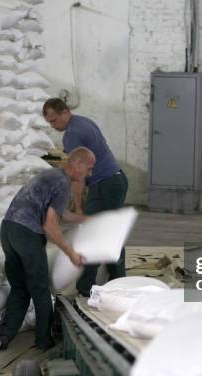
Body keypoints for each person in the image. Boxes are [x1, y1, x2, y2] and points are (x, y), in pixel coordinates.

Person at [0, 147, 95, 351]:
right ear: (78, 164)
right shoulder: (63, 184)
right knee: (40, 290)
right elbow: (50, 225)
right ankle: (43, 341)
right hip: (27, 234)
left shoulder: (51, 175)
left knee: (20, 288)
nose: (90, 174)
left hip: (8, 229)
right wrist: (71, 254)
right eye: (89, 168)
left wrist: (84, 219)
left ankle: (5, 336)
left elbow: (61, 213)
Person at [43, 98, 129, 297]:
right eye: (50, 123)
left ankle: (86, 286)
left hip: (105, 185)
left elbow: (78, 178)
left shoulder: (73, 134)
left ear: (65, 112)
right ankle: (117, 280)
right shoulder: (83, 121)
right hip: (115, 180)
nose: (53, 126)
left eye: (55, 121)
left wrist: (79, 207)